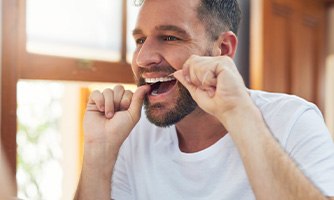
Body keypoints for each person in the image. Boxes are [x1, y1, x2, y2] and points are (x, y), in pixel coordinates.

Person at [75, 0, 334, 199]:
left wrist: (239, 115)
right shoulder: (132, 135)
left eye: (169, 37)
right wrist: (99, 152)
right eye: (140, 40)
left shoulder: (293, 121)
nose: (143, 58)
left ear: (222, 50)